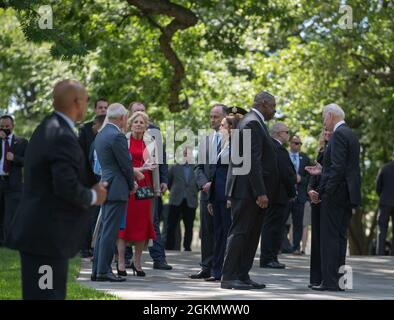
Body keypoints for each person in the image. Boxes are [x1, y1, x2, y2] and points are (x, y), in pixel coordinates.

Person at [5, 79, 108, 299]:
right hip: (47, 236)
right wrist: (93, 195)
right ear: (76, 102)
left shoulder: (48, 127)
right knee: (47, 296)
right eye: (86, 99)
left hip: (41, 234)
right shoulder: (60, 134)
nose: (87, 104)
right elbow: (65, 185)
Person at [221, 91, 279, 290]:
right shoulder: (252, 122)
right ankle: (229, 276)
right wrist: (260, 192)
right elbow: (251, 160)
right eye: (273, 106)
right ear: (264, 104)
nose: (275, 110)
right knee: (240, 232)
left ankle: (242, 274)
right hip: (247, 190)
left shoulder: (252, 121)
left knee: (252, 234)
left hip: (249, 189)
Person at [306, 103, 361, 291]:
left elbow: (338, 169)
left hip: (335, 194)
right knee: (339, 238)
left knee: (330, 238)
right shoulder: (350, 134)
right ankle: (339, 281)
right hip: (347, 194)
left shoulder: (338, 135)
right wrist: (322, 170)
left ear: (330, 115)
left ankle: (330, 282)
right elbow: (342, 167)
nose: (324, 122)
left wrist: (324, 191)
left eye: (324, 118)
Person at [92, 103, 134, 283]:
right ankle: (103, 271)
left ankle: (97, 270)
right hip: (117, 187)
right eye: (126, 117)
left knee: (104, 230)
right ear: (122, 117)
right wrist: (131, 183)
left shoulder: (101, 134)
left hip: (106, 184)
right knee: (110, 231)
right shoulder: (117, 136)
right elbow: (126, 165)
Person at [127, 102, 172, 270]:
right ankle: (126, 258)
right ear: (130, 115)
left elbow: (163, 159)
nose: (140, 115)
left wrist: (164, 180)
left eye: (143, 112)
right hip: (129, 185)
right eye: (136, 112)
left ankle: (159, 259)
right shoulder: (123, 134)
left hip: (148, 183)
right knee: (128, 220)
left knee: (152, 220)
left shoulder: (154, 133)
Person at [205, 107, 246, 281]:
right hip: (217, 195)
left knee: (228, 234)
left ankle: (228, 270)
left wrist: (231, 195)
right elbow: (215, 173)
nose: (220, 128)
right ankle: (216, 270)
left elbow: (235, 173)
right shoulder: (223, 145)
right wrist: (210, 197)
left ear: (231, 128)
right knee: (219, 233)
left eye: (223, 125)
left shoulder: (237, 146)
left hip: (228, 195)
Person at [116, 111, 158, 277]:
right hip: (127, 184)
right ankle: (120, 261)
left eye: (142, 122)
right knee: (123, 225)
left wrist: (153, 166)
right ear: (130, 124)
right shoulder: (123, 140)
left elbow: (155, 164)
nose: (139, 124)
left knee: (142, 224)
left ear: (146, 125)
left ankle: (137, 262)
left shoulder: (151, 142)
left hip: (144, 186)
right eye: (136, 122)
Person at [191, 104, 228, 279]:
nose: (212, 120)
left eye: (216, 116)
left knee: (221, 231)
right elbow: (198, 167)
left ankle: (218, 268)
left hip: (221, 193)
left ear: (225, 118)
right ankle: (206, 266)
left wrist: (214, 184)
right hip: (206, 194)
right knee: (206, 231)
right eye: (211, 116)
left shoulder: (231, 140)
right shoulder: (206, 139)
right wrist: (204, 183)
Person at [260, 122, 296, 269]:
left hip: (271, 194)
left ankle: (269, 257)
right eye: (287, 132)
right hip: (278, 196)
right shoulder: (278, 149)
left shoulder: (268, 147)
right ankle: (269, 258)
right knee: (273, 228)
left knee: (271, 227)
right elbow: (286, 173)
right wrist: (292, 192)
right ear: (279, 133)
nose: (288, 135)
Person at [307, 128, 332, 287]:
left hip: (325, 197)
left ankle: (325, 278)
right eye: (324, 130)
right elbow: (314, 174)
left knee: (325, 240)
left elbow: (330, 174)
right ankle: (315, 279)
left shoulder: (336, 149)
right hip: (315, 197)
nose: (326, 132)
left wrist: (320, 193)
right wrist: (310, 190)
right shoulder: (321, 151)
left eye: (329, 130)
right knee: (316, 239)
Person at [0, 115, 28, 245]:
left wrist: (15, 158)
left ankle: (9, 242)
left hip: (13, 183)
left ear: (13, 126)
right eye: (2, 126)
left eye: (7, 126)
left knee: (10, 216)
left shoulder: (22, 142)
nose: (4, 128)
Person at [166, 146, 198, 252]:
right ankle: (169, 247)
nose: (186, 155)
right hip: (176, 200)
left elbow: (198, 184)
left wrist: (193, 192)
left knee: (189, 226)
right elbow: (168, 183)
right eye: (184, 153)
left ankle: (187, 247)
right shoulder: (175, 167)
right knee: (171, 225)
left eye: (188, 153)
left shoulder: (196, 168)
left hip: (190, 201)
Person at [287, 135, 310, 254]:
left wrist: (301, 179)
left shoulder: (305, 158)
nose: (298, 145)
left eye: (300, 143)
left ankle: (296, 247)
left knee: (298, 223)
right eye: (295, 143)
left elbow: (309, 178)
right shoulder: (284, 156)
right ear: (290, 143)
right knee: (281, 222)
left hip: (300, 196)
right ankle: (281, 246)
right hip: (286, 195)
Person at [375, 149, 394, 255]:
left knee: (382, 229)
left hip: (385, 202)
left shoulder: (384, 168)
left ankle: (380, 254)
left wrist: (382, 196)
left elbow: (378, 187)